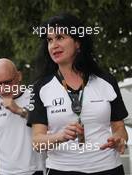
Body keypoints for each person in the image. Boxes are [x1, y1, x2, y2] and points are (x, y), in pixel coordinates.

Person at [27, 13, 128, 175]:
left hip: (108, 168)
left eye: (60, 37)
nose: (53, 45)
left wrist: (118, 139)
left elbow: (119, 128)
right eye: (50, 40)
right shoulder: (40, 87)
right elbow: (37, 142)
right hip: (61, 169)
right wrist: (60, 136)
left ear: (78, 43)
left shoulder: (106, 81)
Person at [0, 58, 45, 175]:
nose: (3, 89)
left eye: (8, 82)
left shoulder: (36, 97)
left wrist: (19, 111)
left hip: (35, 171)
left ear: (19, 76)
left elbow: (50, 126)